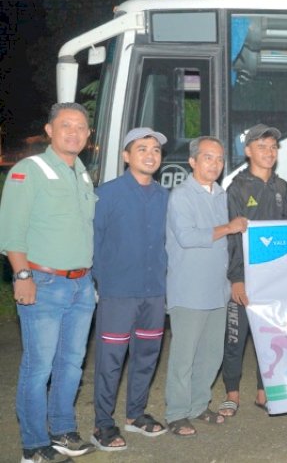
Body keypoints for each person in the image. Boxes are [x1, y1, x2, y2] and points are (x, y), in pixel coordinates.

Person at [0, 102, 97, 462]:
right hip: (43, 282)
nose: (74, 132)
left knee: (72, 363)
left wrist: (90, 279)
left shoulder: (81, 173)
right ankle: (34, 444)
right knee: (38, 367)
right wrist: (22, 275)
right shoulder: (31, 170)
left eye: (81, 127)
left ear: (88, 136)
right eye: (65, 125)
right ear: (49, 130)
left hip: (81, 285)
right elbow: (12, 231)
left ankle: (61, 430)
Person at [91, 128, 170, 451]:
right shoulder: (106, 194)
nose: (150, 154)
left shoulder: (165, 196)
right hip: (118, 293)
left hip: (154, 292)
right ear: (126, 156)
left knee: (147, 357)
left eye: (155, 150)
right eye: (142, 149)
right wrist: (99, 282)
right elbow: (93, 241)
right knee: (110, 359)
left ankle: (135, 414)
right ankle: (103, 424)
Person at [164, 136, 248, 437]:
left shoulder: (221, 195)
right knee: (183, 357)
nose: (215, 164)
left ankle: (199, 406)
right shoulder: (181, 195)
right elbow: (188, 237)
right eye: (208, 158)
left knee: (211, 355)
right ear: (193, 162)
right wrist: (229, 227)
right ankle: (176, 413)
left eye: (219, 159)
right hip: (188, 290)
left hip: (217, 289)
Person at [219, 125, 287, 418]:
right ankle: (231, 394)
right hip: (244, 277)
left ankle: (264, 392)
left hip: (275, 278)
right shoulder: (236, 187)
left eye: (273, 147)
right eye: (262, 147)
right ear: (248, 151)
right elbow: (232, 237)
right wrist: (236, 278)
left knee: (270, 336)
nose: (269, 152)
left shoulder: (283, 187)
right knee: (236, 338)